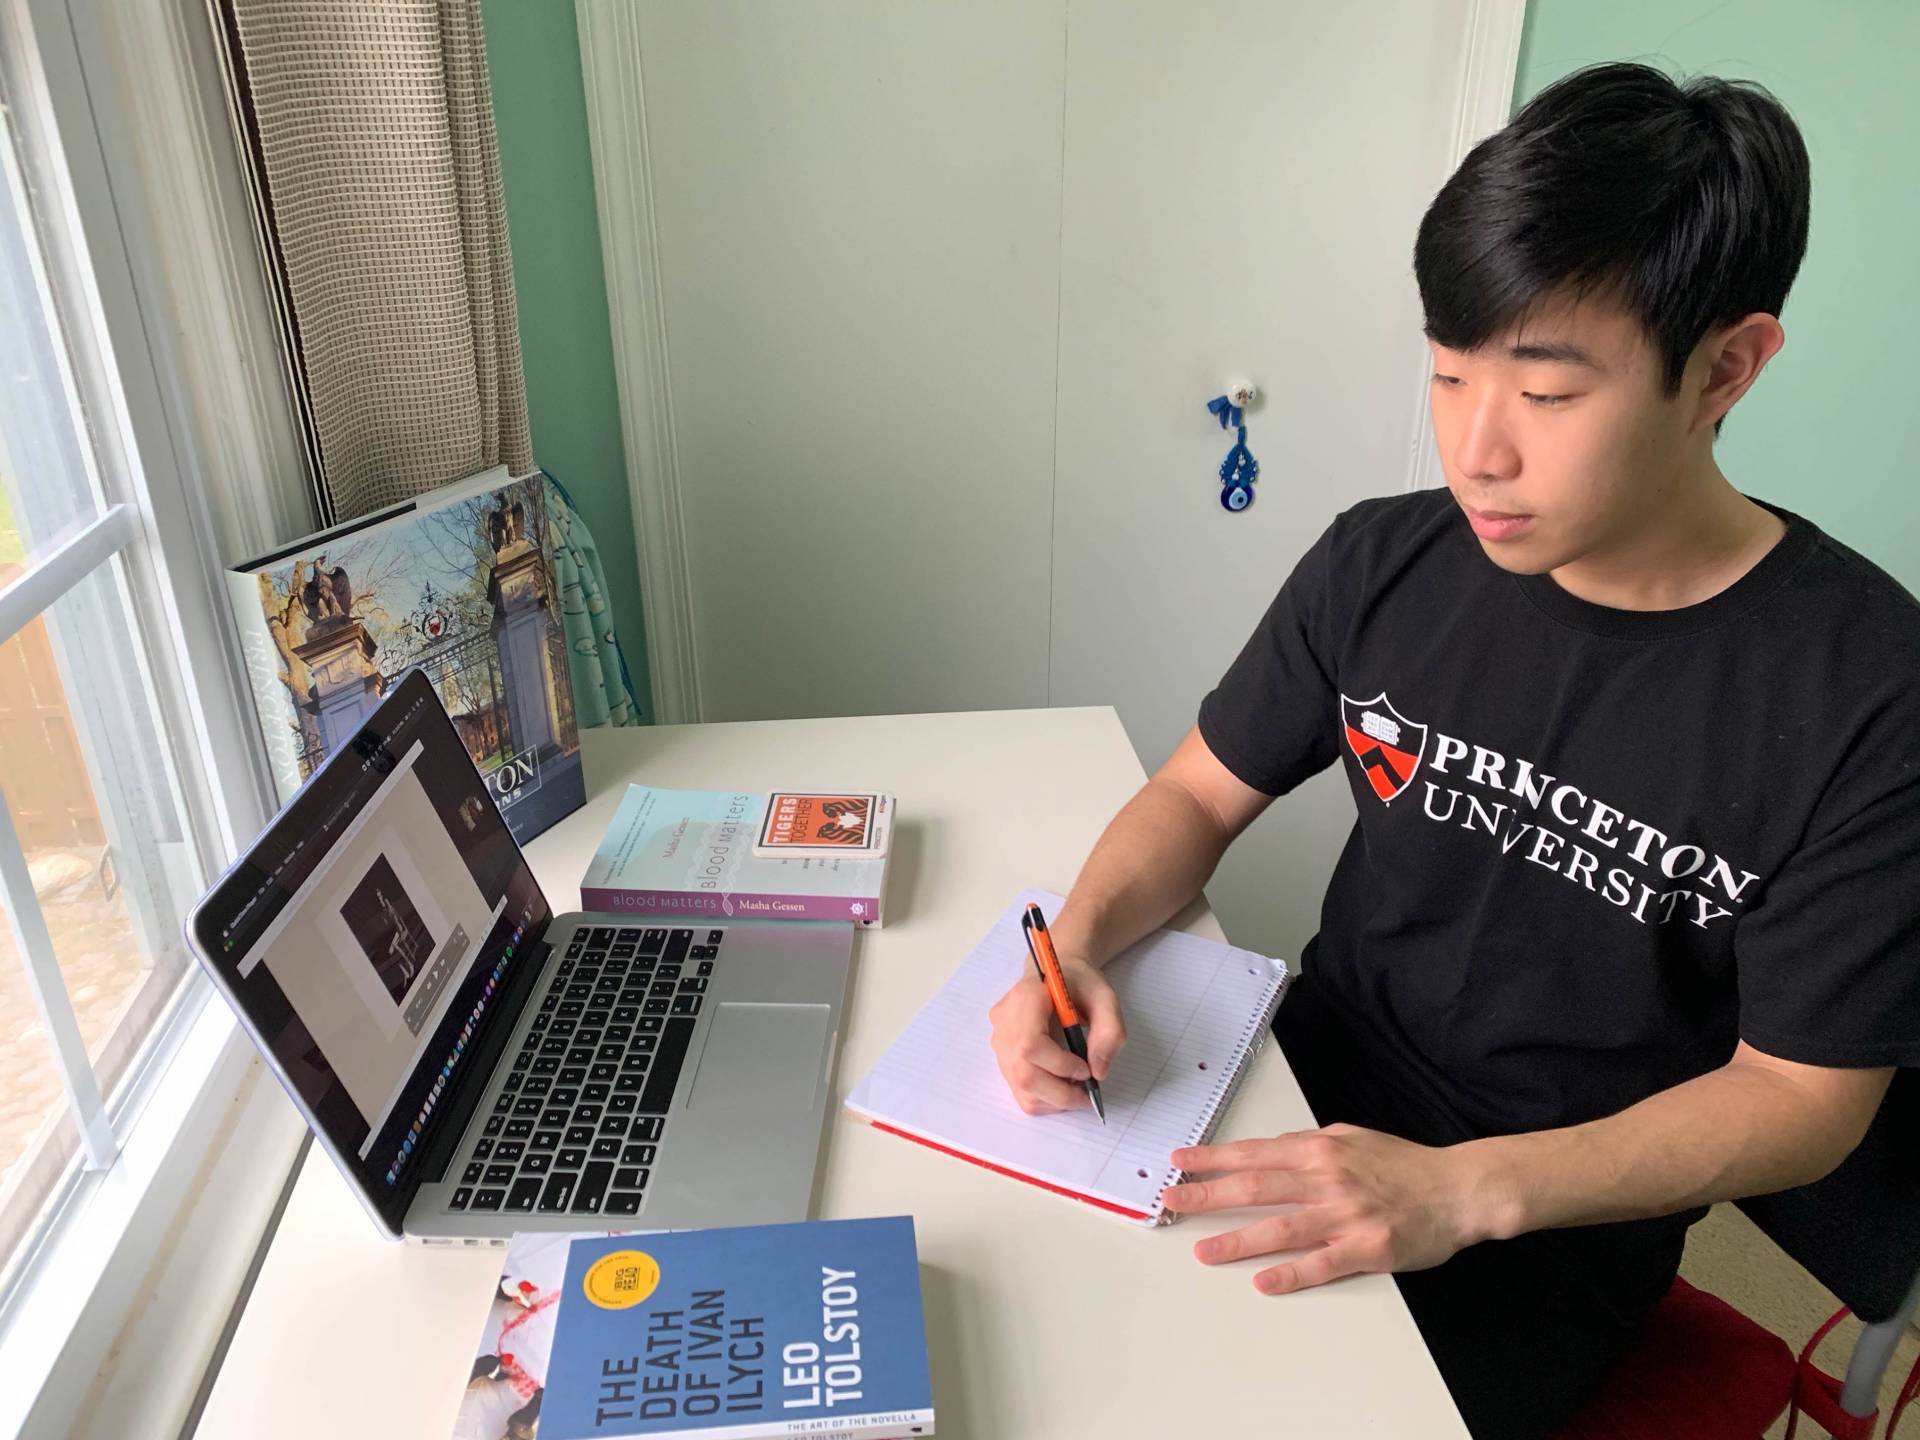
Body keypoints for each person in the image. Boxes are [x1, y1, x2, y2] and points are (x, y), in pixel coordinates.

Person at [987, 60, 1920, 1439]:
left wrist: (1462, 1192)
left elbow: (1803, 1100)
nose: (1474, 448)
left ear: (1727, 366)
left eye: (1545, 395)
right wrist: (1076, 946)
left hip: (1546, 1219)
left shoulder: (1869, 692)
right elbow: (1195, 790)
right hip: (1290, 1083)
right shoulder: (1386, 560)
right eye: (1444, 370)